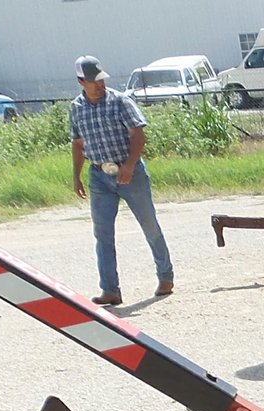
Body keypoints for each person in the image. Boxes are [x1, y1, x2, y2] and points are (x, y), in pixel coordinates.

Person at [68, 55, 173, 306]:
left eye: (101, 80)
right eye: (94, 81)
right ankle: (110, 290)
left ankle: (165, 276)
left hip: (130, 173)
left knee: (149, 225)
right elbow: (78, 143)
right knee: (102, 233)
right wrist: (76, 176)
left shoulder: (120, 101)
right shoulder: (76, 108)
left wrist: (129, 164)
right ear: (81, 81)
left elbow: (138, 135)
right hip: (99, 176)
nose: (100, 85)